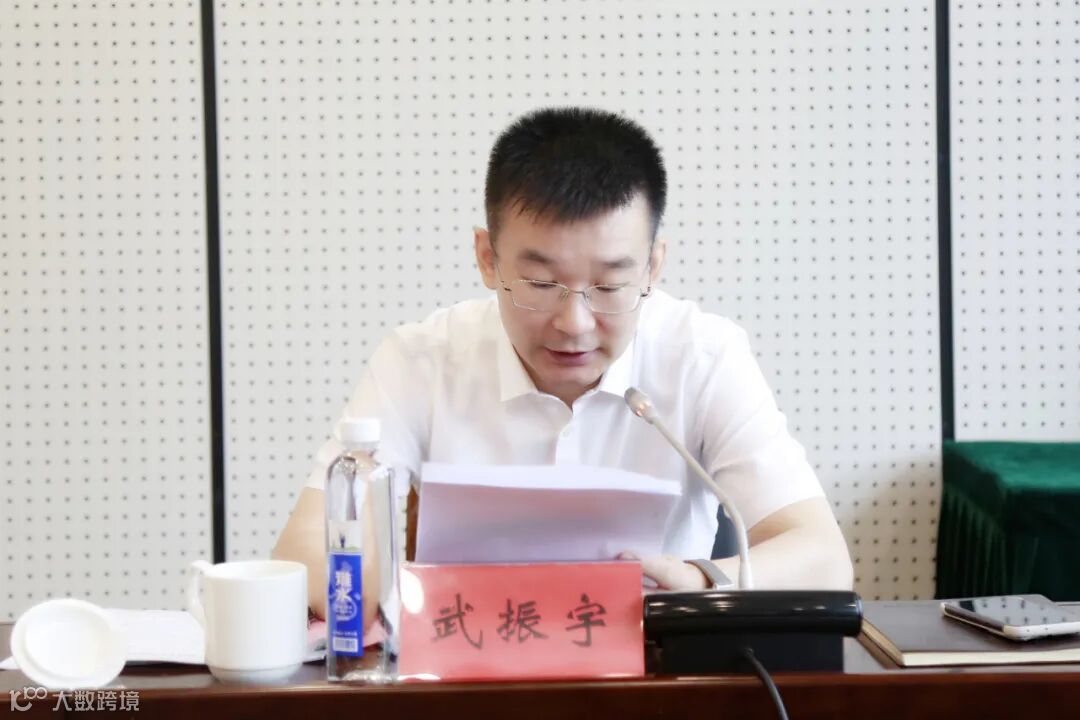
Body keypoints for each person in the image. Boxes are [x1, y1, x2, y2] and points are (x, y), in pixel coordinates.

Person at [273, 106, 853, 618]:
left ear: (652, 266)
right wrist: (393, 592)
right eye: (541, 283)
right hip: (471, 675)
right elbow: (304, 551)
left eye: (609, 286)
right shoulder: (421, 359)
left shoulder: (702, 354)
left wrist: (701, 582)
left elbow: (822, 558)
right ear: (487, 258)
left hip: (656, 676)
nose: (574, 323)